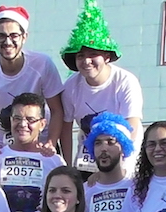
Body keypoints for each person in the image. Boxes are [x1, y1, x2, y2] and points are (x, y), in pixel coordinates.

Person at [0, 5, 64, 151]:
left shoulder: (42, 64)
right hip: (3, 145)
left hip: (41, 143)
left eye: (14, 35)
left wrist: (51, 141)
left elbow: (57, 110)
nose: (8, 42)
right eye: (1, 36)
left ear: (24, 37)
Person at [59, 0, 142, 174]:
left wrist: (119, 164)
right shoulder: (71, 86)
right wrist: (67, 167)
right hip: (87, 155)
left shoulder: (125, 81)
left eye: (93, 54)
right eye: (80, 56)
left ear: (106, 56)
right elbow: (65, 127)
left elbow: (132, 124)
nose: (86, 61)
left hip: (123, 154)